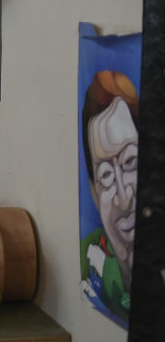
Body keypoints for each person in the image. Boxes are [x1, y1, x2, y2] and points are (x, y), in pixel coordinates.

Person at [80, 70, 139, 323]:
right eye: (105, 176)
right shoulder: (93, 269)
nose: (123, 198)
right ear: (94, 192)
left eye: (130, 161)